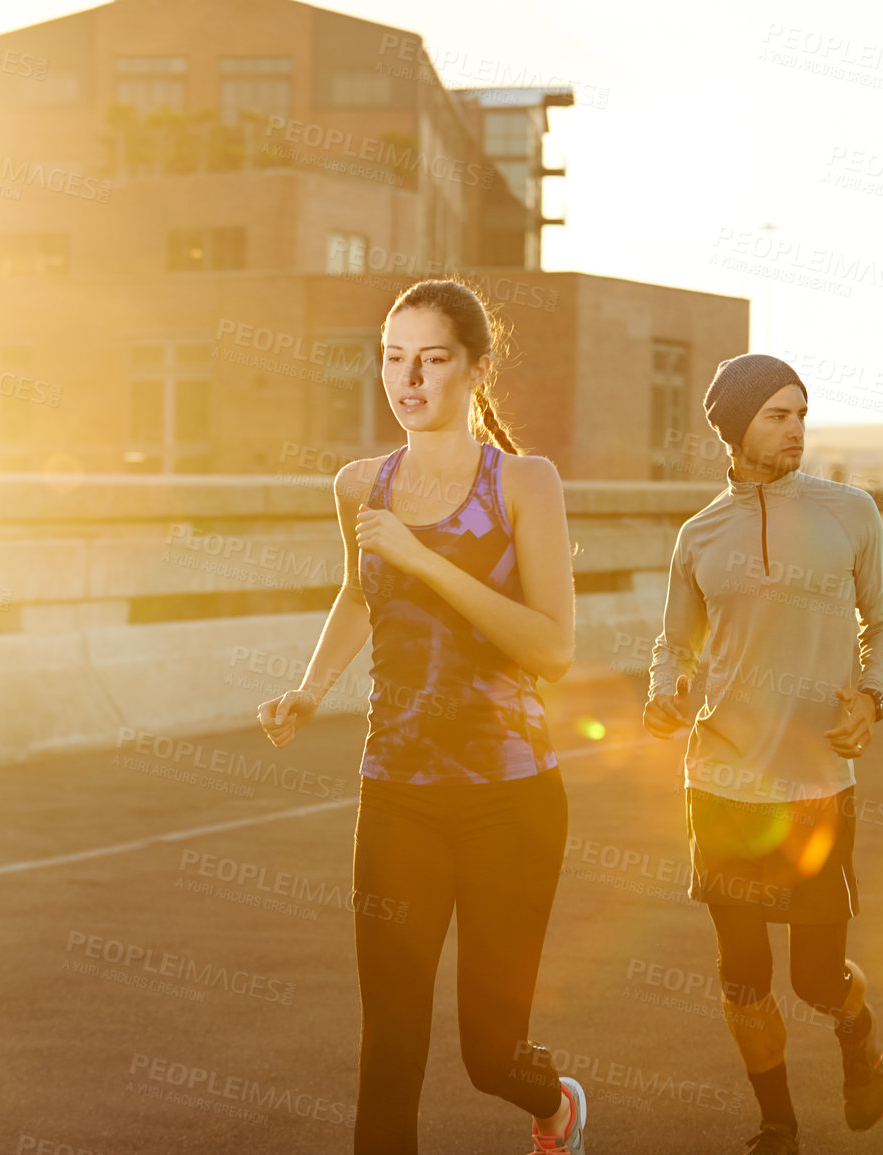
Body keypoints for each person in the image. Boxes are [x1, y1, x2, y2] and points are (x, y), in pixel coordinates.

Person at [256, 278, 586, 1153]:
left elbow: (552, 648)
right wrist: (309, 689)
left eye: (431, 359)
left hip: (510, 802)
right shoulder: (359, 484)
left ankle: (553, 1103)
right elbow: (358, 595)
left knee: (487, 1054)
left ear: (474, 369)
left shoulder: (524, 482)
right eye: (392, 359)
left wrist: (422, 556)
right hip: (395, 793)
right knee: (389, 1049)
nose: (408, 378)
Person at [643, 353, 883, 1155]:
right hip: (719, 779)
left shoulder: (849, 512)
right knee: (742, 973)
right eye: (776, 415)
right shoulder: (698, 534)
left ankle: (854, 1030)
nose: (795, 429)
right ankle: (777, 1124)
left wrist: (871, 696)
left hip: (815, 781)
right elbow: (672, 643)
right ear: (734, 427)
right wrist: (662, 689)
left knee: (815, 978)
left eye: (800, 412)